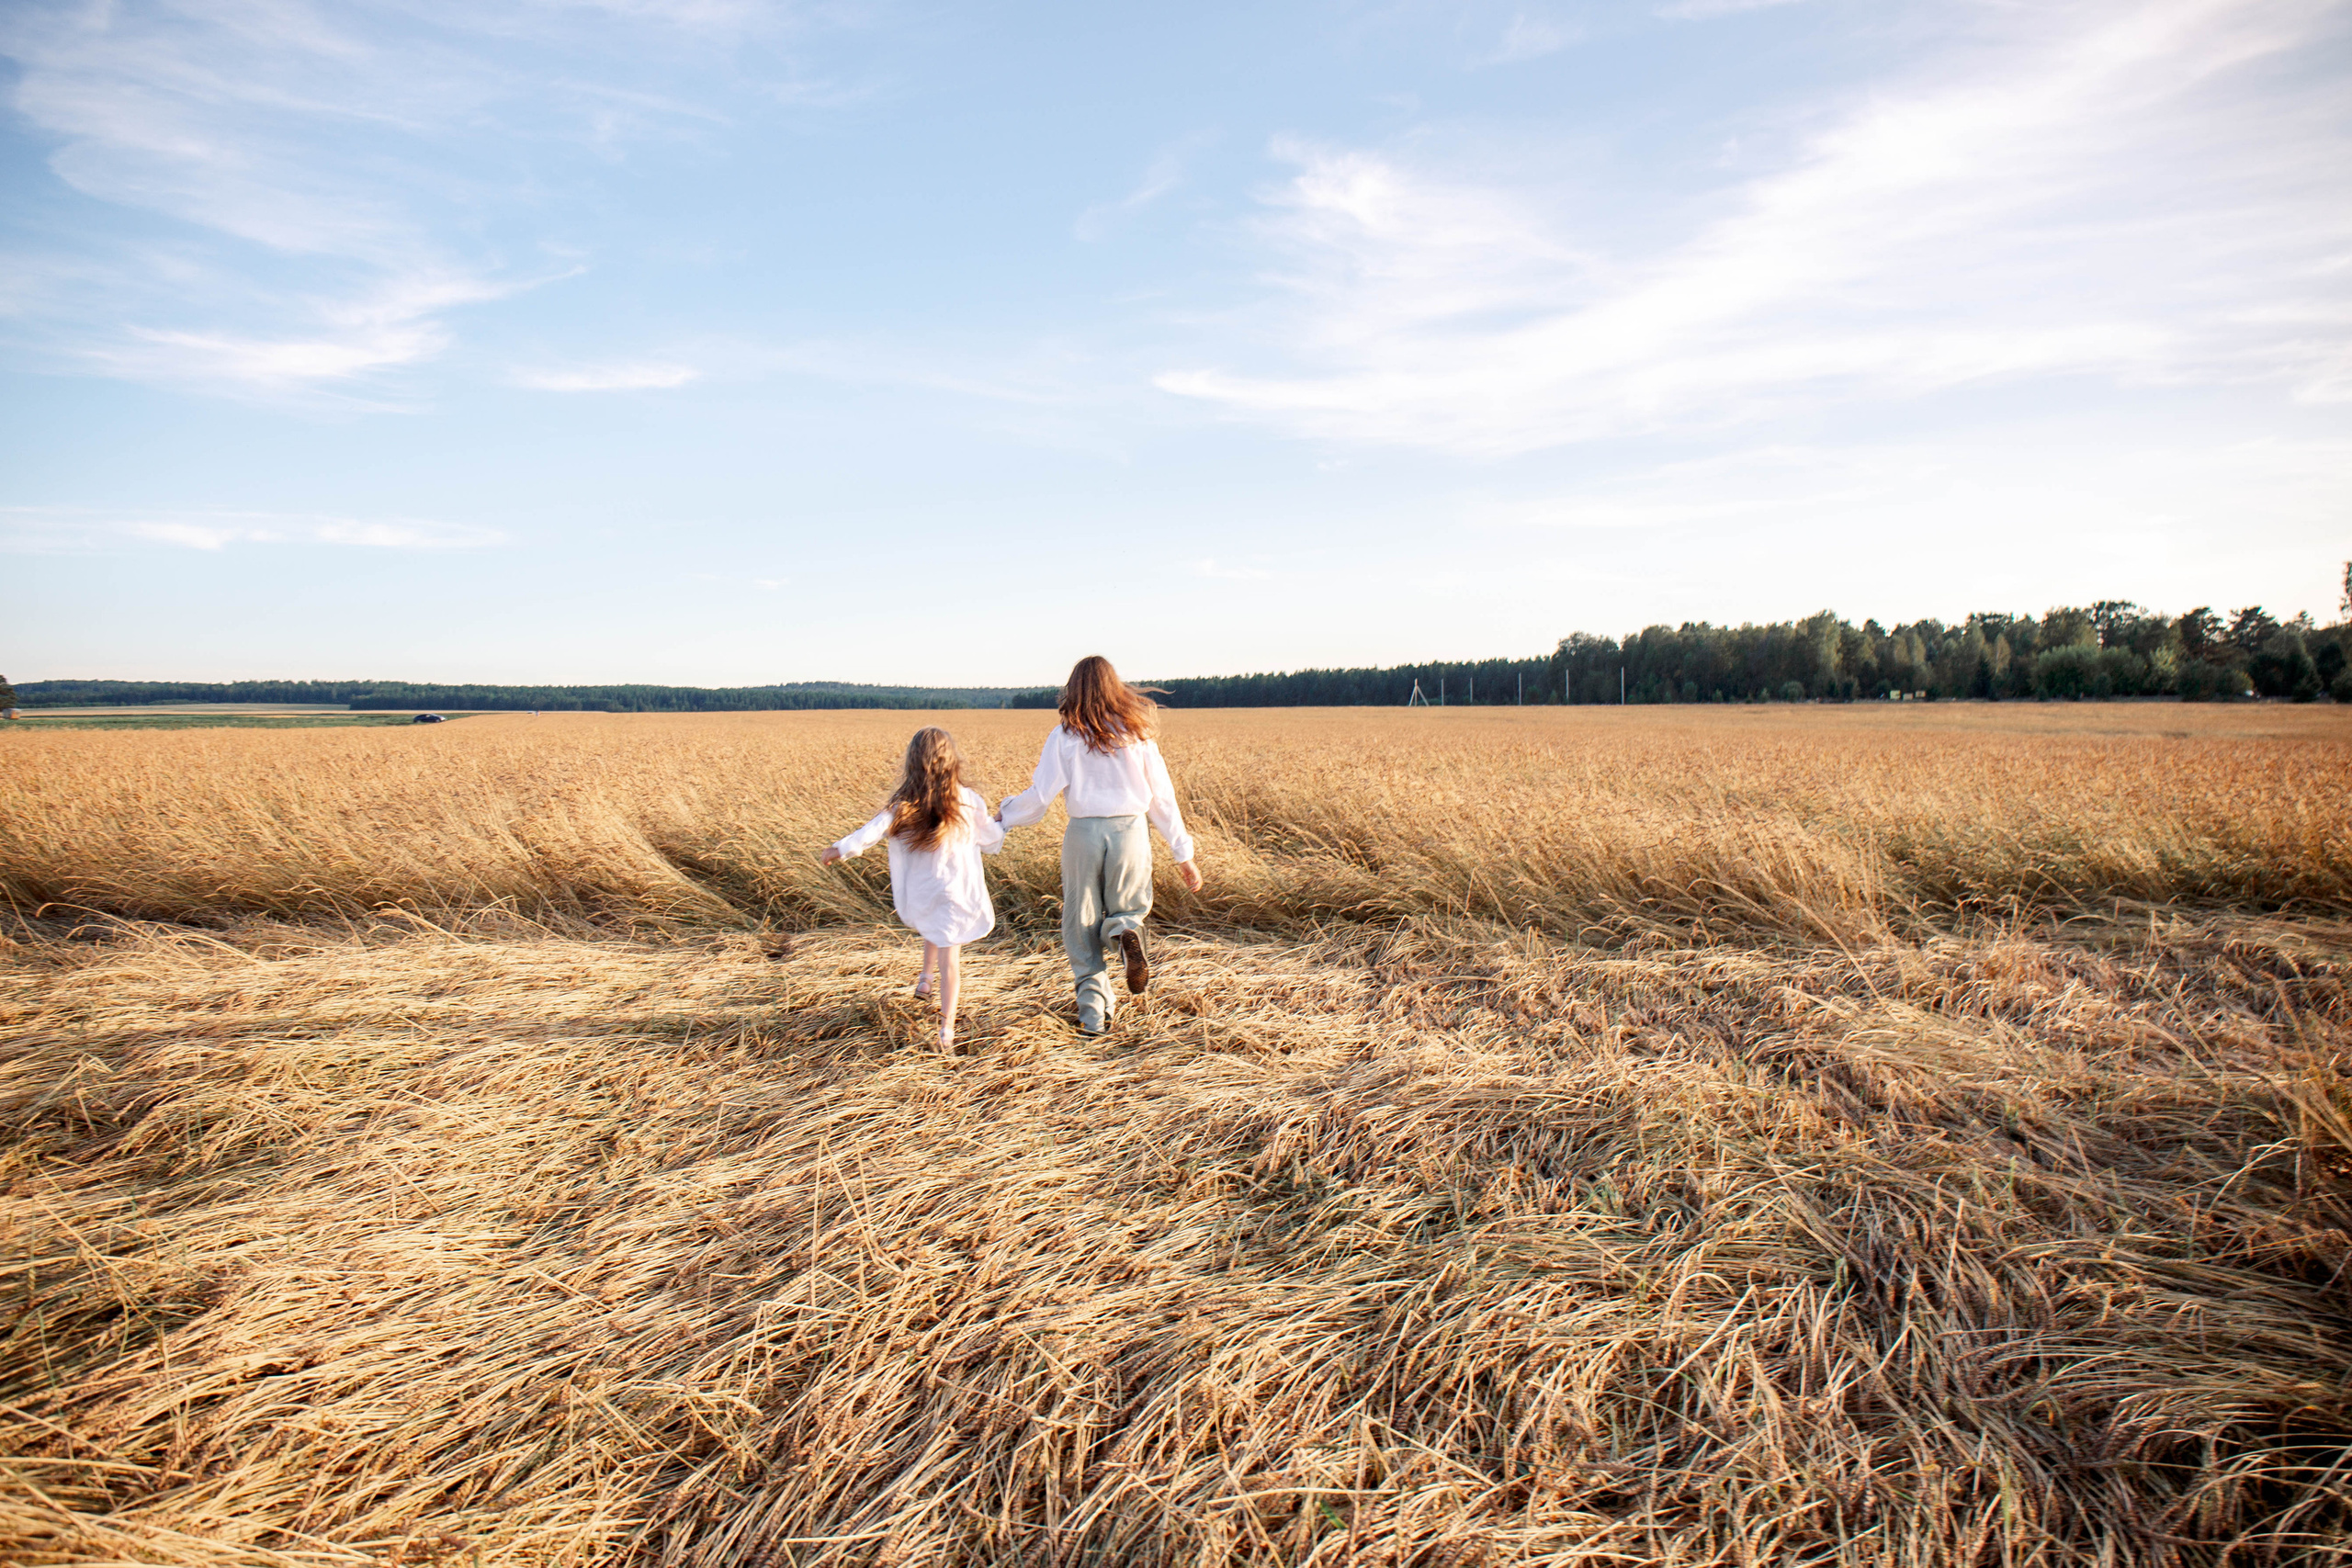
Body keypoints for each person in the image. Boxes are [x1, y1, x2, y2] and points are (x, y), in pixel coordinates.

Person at [996, 655, 1203, 1034]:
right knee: (1127, 908)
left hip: (1083, 833)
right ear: (1115, 687)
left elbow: (1041, 796)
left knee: (1081, 921)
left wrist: (1005, 816)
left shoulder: (1065, 736)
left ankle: (1093, 1017)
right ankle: (1126, 940)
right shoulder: (1137, 733)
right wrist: (1182, 853)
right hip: (1130, 832)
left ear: (1073, 689)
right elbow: (1162, 798)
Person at [819, 727, 1003, 1049]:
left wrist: (839, 849)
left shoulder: (905, 804)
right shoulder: (968, 801)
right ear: (951, 761)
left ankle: (924, 980)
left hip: (924, 892)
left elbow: (871, 831)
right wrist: (1001, 822)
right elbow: (991, 839)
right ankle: (947, 1030)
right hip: (957, 893)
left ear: (912, 763)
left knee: (934, 929)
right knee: (952, 960)